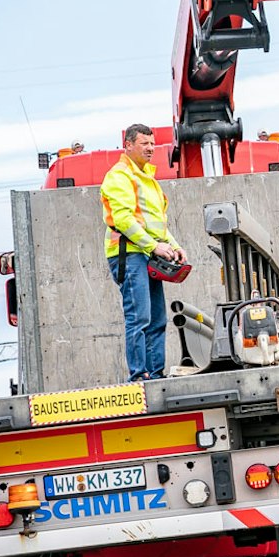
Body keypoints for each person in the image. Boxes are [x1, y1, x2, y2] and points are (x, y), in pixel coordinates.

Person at [100, 124, 184, 382]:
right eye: (144, 144)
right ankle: (139, 375)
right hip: (129, 254)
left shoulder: (147, 178)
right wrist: (153, 246)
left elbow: (156, 222)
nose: (151, 148)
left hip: (147, 253)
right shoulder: (119, 176)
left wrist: (174, 246)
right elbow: (123, 220)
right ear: (128, 145)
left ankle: (155, 375)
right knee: (140, 318)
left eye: (152, 143)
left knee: (157, 319)